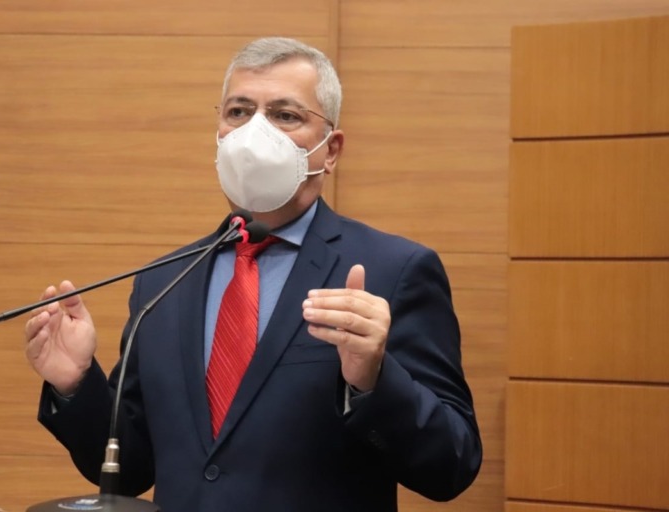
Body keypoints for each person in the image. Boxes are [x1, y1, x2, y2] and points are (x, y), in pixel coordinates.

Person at [24, 37, 482, 512]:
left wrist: (372, 381)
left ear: (330, 150)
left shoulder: (394, 270)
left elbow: (452, 465)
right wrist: (76, 386)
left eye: (285, 115)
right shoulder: (164, 282)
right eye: (239, 112)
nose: (254, 132)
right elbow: (131, 468)